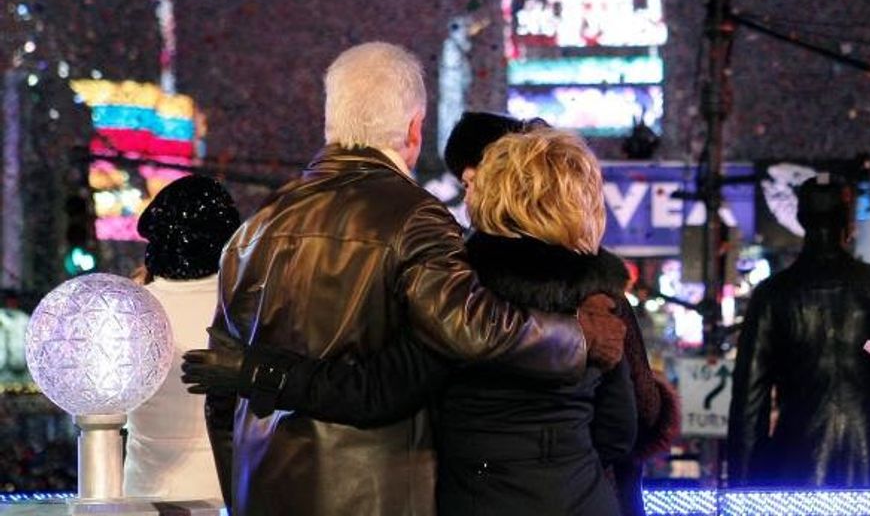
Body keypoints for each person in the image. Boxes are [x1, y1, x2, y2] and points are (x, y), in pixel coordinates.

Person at [202, 42, 625, 516]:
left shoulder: (253, 230)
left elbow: (221, 386)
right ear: (415, 127)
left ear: (331, 120)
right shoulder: (415, 218)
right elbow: (467, 328)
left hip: (264, 487)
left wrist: (242, 491)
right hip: (377, 494)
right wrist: (578, 338)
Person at [445, 110, 680, 515]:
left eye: (470, 182)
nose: (467, 196)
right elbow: (626, 427)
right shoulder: (596, 295)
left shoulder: (456, 289)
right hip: (585, 494)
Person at [727, 173, 870, 487]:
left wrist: (744, 484)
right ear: (848, 222)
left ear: (801, 219)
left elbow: (750, 400)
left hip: (796, 467)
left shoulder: (772, 295)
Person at [124, 173, 241, 500]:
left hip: (145, 493)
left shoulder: (128, 310)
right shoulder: (247, 309)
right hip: (228, 490)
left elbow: (99, 415)